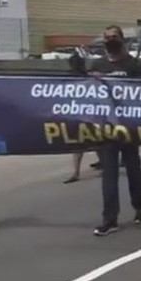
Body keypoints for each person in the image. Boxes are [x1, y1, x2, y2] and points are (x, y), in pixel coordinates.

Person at [89, 25, 141, 236]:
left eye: (114, 36)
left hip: (129, 127)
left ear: (122, 39)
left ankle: (139, 206)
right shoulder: (97, 64)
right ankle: (109, 218)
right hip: (105, 129)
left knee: (133, 170)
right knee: (109, 174)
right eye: (107, 37)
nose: (110, 40)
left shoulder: (133, 64)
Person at [64, 51, 89, 184]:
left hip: (76, 112)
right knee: (97, 141)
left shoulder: (69, 77)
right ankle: (103, 163)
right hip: (88, 112)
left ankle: (76, 172)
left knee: (78, 145)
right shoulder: (87, 76)